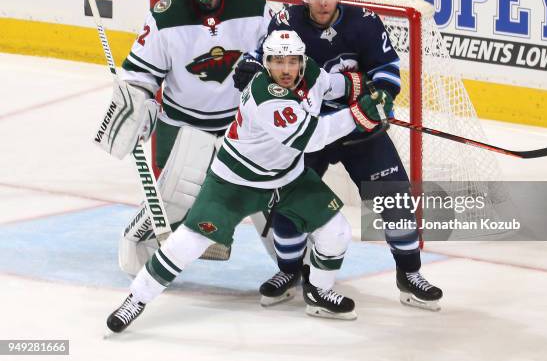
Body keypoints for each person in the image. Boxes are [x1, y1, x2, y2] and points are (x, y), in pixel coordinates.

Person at [105, 30, 394, 331]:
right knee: (188, 242)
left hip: (288, 178)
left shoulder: (308, 70)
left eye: (292, 61)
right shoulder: (265, 95)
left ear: (301, 60)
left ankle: (319, 292)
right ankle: (137, 299)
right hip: (235, 182)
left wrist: (362, 87)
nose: (285, 69)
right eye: (277, 61)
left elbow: (328, 85)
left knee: (336, 231)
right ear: (266, 63)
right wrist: (361, 114)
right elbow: (312, 138)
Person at [233, 0, 443, 311]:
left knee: (396, 199)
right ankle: (289, 271)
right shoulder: (287, 23)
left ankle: (409, 274)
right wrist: (250, 67)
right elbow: (262, 61)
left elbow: (387, 74)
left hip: (358, 128)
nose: (323, 2)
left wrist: (379, 98)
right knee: (287, 201)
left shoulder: (364, 22)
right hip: (307, 132)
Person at [93, 0, 276, 275]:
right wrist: (136, 107)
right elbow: (140, 76)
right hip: (183, 129)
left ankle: (294, 267)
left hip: (240, 129)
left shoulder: (253, 7)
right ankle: (145, 271)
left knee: (270, 203)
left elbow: (283, 56)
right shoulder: (166, 16)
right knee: (169, 209)